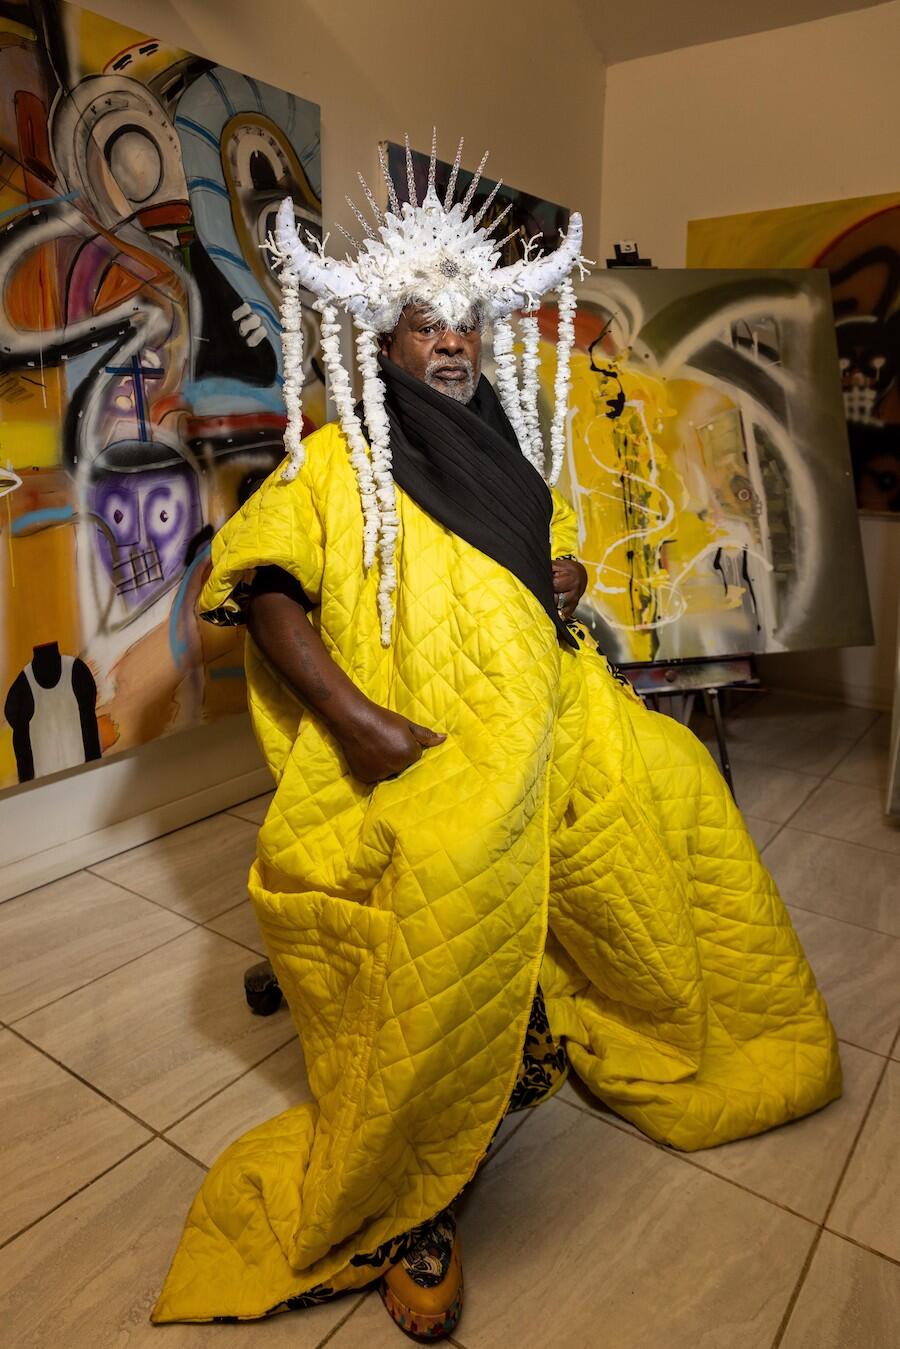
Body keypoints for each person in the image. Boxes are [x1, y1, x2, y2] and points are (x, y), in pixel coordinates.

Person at [153, 136, 841, 1341]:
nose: (452, 337)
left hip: (548, 705)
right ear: (385, 343)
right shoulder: (335, 463)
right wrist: (363, 728)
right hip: (420, 735)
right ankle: (416, 1185)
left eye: (465, 319)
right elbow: (259, 585)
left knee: (673, 779)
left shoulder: (510, 450)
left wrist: (556, 571)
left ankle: (655, 1018)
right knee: (450, 880)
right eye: (425, 323)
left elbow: (527, 566)